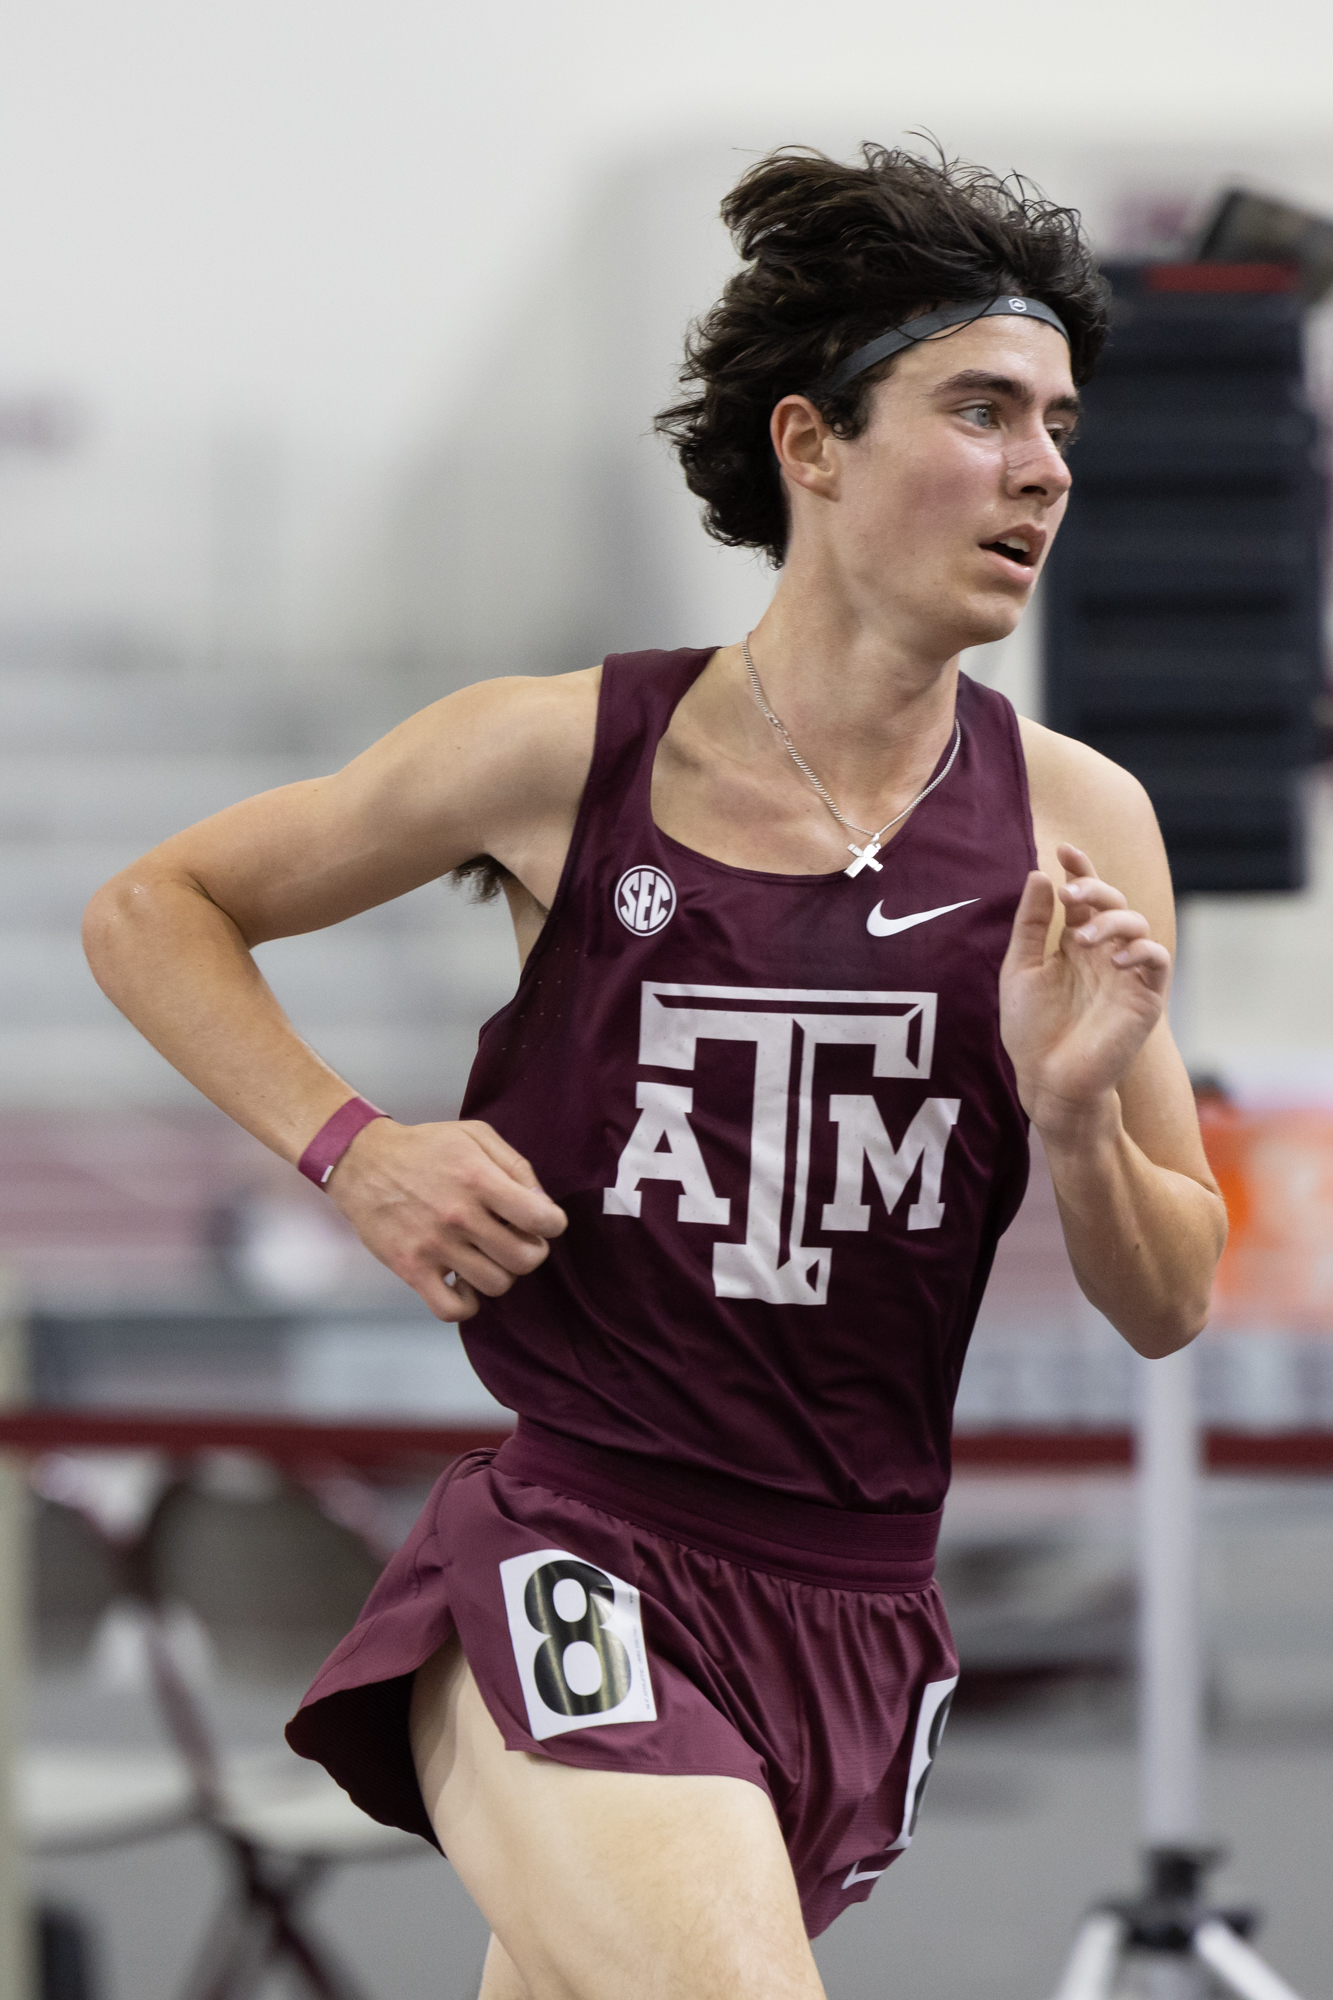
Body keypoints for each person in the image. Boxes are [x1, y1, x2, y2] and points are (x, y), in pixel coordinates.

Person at [84, 144, 1227, 2000]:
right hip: (581, 1545)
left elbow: (1166, 1300)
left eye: (1060, 425)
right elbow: (156, 907)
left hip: (854, 1597)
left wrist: (1081, 1108)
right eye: (980, 408)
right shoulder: (561, 753)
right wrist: (355, 1149)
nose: (1043, 469)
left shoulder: (1079, 821)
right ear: (812, 443)